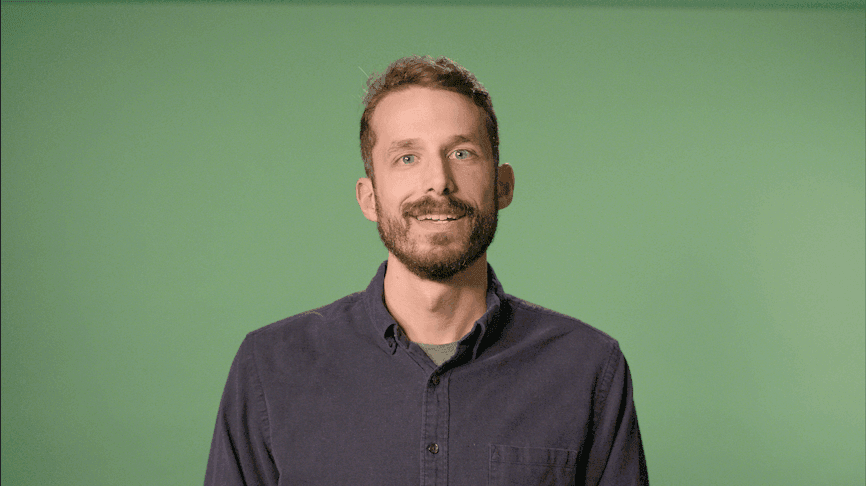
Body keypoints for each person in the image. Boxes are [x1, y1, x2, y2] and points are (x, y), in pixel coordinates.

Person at [204, 55, 648, 485]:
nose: (438, 181)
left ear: (503, 185)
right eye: (407, 157)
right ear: (369, 198)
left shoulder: (588, 368)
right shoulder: (270, 366)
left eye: (462, 153)